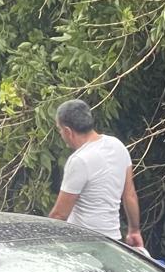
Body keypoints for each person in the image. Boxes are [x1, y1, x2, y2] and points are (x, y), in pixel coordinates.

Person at [47, 99, 143, 248]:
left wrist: (43, 241)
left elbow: (60, 215)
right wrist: (134, 230)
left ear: (68, 131)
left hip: (83, 244)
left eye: (59, 129)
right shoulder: (117, 146)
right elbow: (129, 194)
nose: (60, 133)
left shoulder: (79, 160)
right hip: (113, 242)